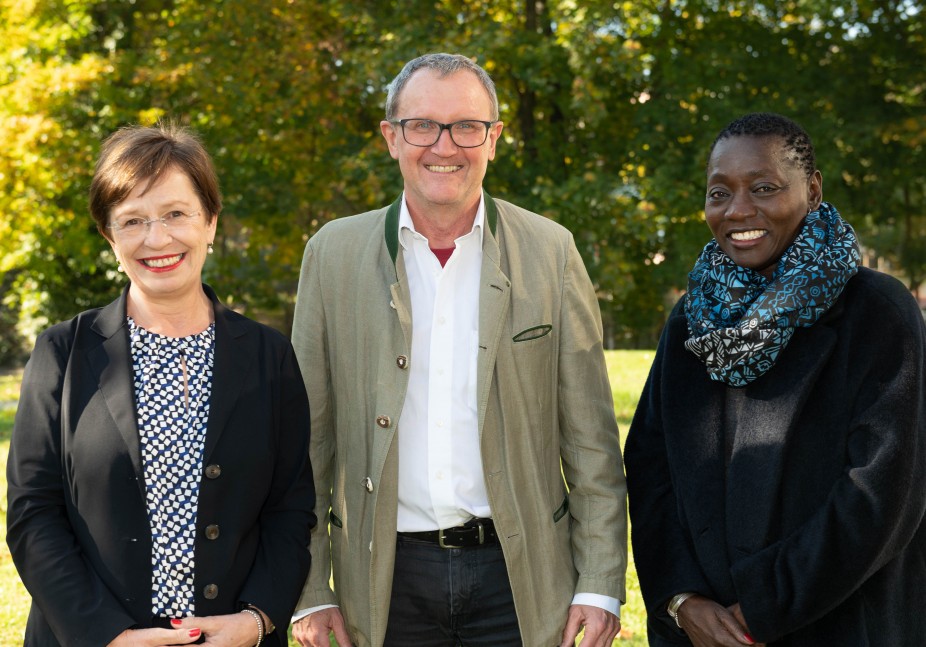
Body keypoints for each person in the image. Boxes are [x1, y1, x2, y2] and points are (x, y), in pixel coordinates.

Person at [290, 53, 627, 647]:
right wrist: (312, 587)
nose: (444, 144)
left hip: (520, 577)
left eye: (467, 126)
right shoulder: (331, 256)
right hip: (384, 577)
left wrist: (599, 582)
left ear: (493, 139)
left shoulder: (551, 252)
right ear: (391, 137)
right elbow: (306, 444)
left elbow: (591, 439)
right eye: (423, 125)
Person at [6, 122, 316, 647]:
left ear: (211, 222)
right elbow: (33, 515)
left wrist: (257, 620)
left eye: (176, 214)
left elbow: (290, 511)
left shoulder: (268, 356)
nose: (158, 239)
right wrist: (107, 635)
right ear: (110, 237)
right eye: (132, 221)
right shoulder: (62, 353)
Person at [624, 112, 926, 647]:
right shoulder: (691, 320)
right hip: (699, 630)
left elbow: (883, 493)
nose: (738, 210)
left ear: (812, 191)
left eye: (763, 188)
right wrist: (681, 597)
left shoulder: (877, 312)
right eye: (720, 192)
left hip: (839, 622)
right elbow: (651, 468)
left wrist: (762, 607)